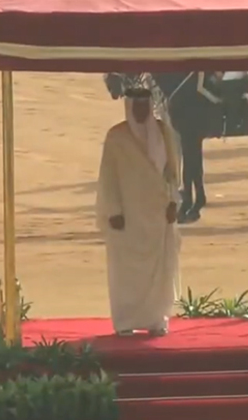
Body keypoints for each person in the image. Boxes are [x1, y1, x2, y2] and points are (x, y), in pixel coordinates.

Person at [95, 87, 181, 337]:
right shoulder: (116, 137)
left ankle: (156, 319)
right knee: (126, 273)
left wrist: (173, 201)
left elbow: (173, 173)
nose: (142, 111)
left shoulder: (164, 133)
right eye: (137, 106)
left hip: (157, 214)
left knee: (160, 271)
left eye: (145, 105)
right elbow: (107, 177)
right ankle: (125, 321)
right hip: (128, 217)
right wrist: (113, 210)